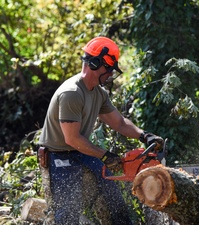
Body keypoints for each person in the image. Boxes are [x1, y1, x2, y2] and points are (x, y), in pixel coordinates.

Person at [37, 36, 164, 225]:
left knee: (112, 192)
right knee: (68, 211)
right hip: (59, 155)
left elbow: (119, 123)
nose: (111, 74)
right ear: (95, 64)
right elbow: (71, 138)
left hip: (81, 151)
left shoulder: (98, 93)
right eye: (109, 69)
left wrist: (144, 135)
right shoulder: (72, 93)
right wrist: (104, 155)